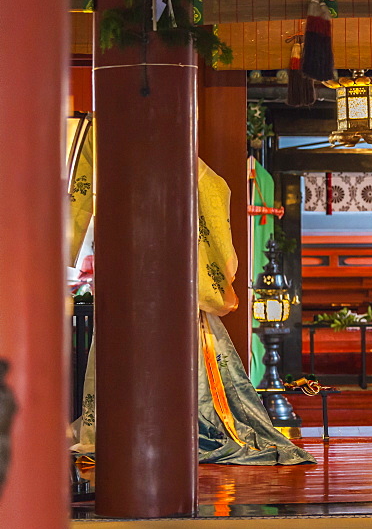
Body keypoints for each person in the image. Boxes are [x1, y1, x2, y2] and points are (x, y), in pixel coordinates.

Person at [73, 159, 314, 465]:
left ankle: (150, 429)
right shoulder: (181, 164)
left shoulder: (145, 157)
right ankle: (142, 428)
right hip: (158, 284)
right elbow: (216, 191)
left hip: (159, 284)